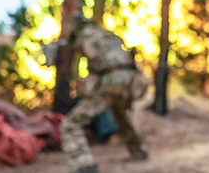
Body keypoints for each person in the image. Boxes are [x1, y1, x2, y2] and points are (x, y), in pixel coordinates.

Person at [59, 12, 149, 173]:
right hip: (130, 80)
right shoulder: (107, 34)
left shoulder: (85, 37)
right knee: (120, 114)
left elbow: (96, 64)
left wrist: (88, 87)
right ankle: (139, 151)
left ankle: (84, 164)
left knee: (71, 124)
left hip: (111, 81)